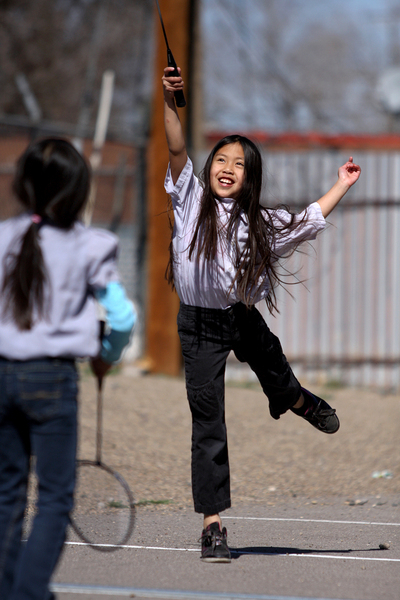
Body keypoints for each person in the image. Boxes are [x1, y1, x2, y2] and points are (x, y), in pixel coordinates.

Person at [162, 67, 361, 563]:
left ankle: (295, 399)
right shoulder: (188, 199)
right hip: (200, 326)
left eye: (239, 163)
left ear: (250, 177)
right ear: (208, 168)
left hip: (242, 318)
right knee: (208, 423)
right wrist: (170, 100)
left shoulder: (262, 223)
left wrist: (343, 183)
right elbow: (174, 146)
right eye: (221, 159)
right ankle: (213, 527)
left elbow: (311, 219)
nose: (227, 167)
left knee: (275, 370)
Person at [0, 137, 136, 599]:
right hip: (53, 379)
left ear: (22, 186)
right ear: (79, 192)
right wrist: (106, 355)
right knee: (55, 497)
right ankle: (30, 591)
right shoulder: (88, 245)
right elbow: (121, 317)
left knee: (7, 494)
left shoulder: (2, 237)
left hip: (1, 375)